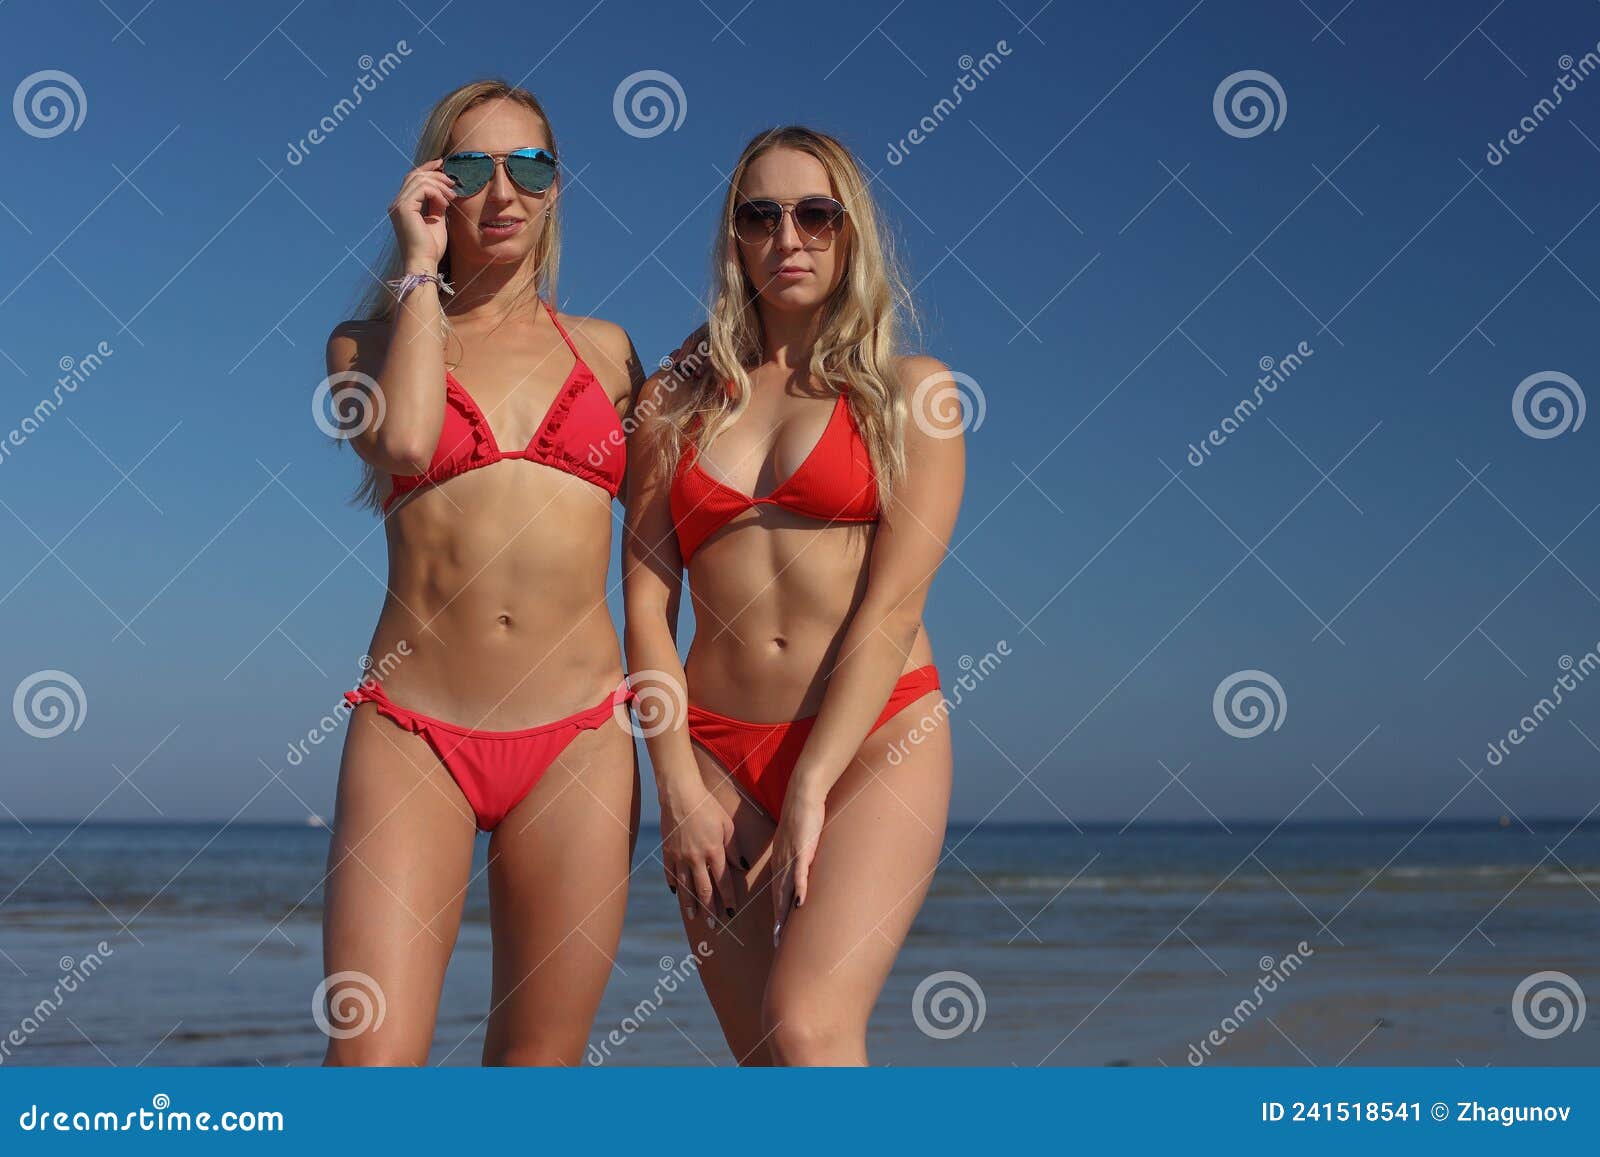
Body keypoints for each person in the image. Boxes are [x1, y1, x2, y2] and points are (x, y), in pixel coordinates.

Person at [622, 125, 965, 1065]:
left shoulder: (911, 396)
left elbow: (893, 608)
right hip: (716, 752)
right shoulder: (673, 409)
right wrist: (677, 787)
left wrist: (813, 780)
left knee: (810, 1028)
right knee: (765, 1060)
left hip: (873, 739)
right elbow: (646, 609)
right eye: (761, 216)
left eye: (817, 214)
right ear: (734, 239)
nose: (790, 238)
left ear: (851, 233)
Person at [319, 79, 643, 1066]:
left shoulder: (609, 352)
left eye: (529, 166)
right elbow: (411, 440)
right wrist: (419, 269)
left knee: (535, 1075)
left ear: (556, 186)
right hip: (415, 728)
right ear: (432, 188)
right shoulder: (365, 346)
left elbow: (678, 542)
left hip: (579, 737)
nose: (502, 191)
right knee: (370, 1062)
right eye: (470, 168)